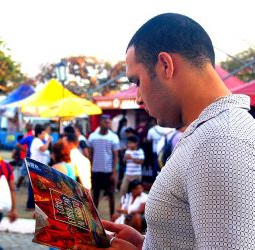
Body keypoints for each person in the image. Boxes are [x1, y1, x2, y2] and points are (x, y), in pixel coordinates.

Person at [80, 13, 255, 250]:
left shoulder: (219, 141)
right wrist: (146, 243)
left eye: (137, 81)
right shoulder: (212, 132)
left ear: (165, 65)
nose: (138, 97)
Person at [88, 114, 120, 219]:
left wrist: (114, 172)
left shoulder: (113, 137)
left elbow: (116, 156)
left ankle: (112, 216)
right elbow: (90, 153)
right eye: (105, 122)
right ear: (100, 122)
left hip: (108, 171)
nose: (107, 124)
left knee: (111, 194)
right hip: (96, 170)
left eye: (109, 122)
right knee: (95, 194)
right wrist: (91, 167)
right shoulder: (93, 136)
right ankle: (94, 216)